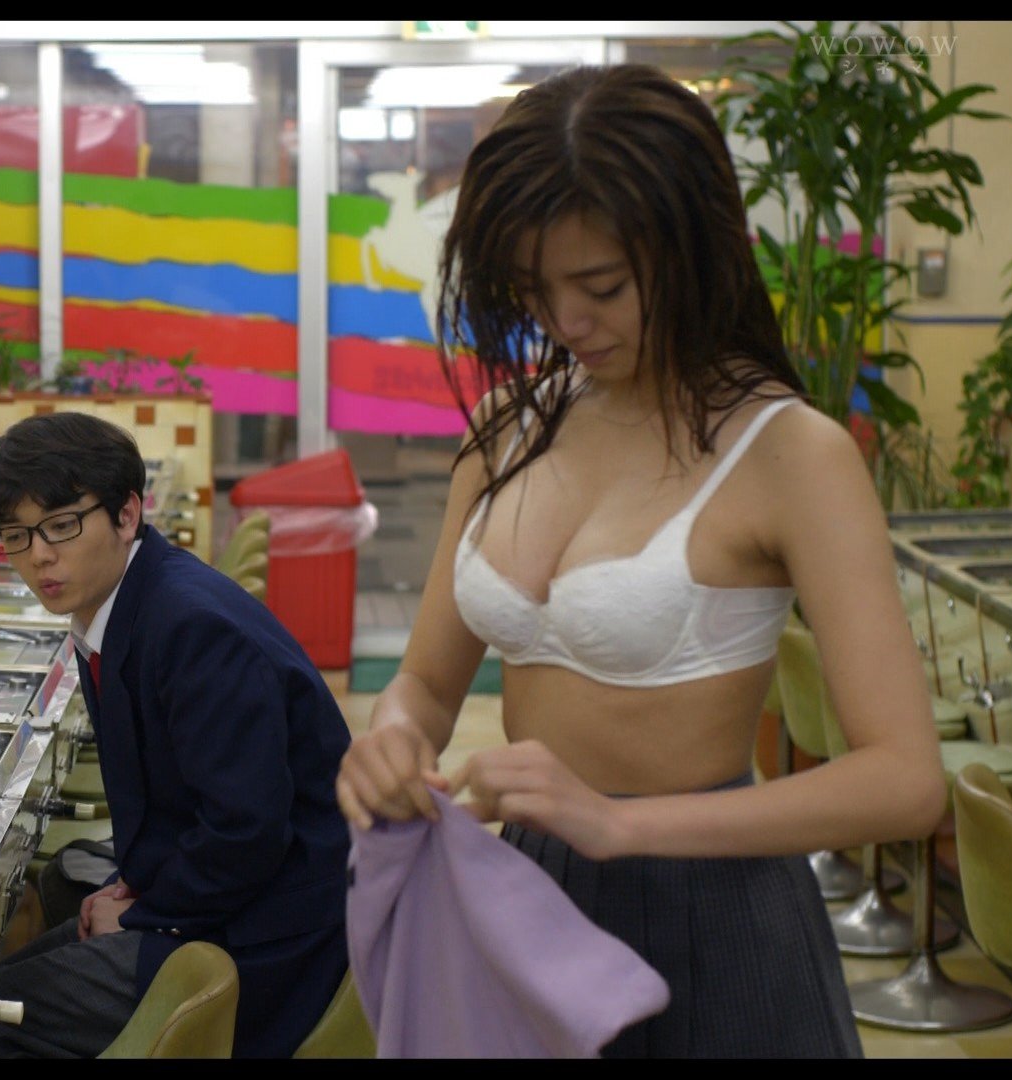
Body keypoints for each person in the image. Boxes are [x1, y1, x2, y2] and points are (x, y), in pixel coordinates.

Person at [334, 63, 946, 1057]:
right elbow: (427, 685)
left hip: (715, 914)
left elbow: (905, 780)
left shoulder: (790, 454)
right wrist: (392, 741)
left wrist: (622, 826)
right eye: (534, 289)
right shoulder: (507, 429)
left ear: (692, 248)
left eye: (603, 287)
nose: (565, 323)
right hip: (529, 894)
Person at [0, 412, 351, 1059]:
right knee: (28, 941)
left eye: (61, 525)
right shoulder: (128, 601)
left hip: (276, 937)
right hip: (243, 894)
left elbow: (246, 830)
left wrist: (145, 912)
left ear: (127, 514)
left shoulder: (192, 629)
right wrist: (137, 886)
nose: (39, 555)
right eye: (16, 535)